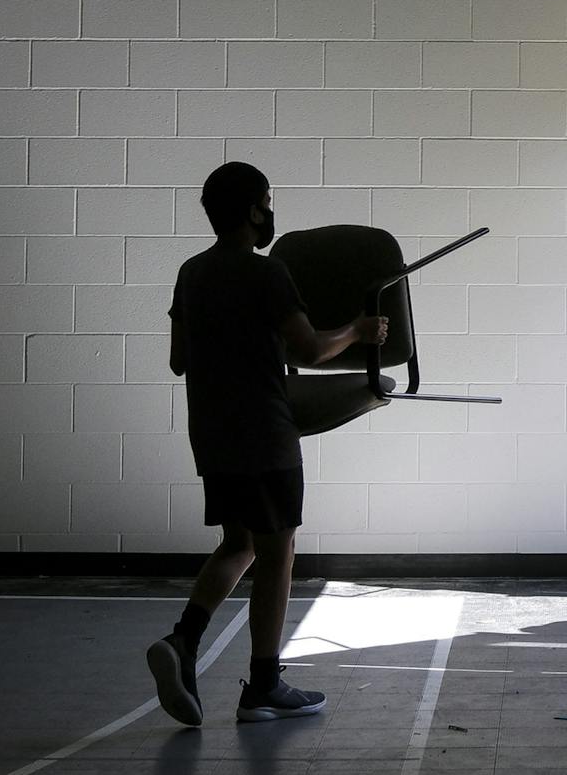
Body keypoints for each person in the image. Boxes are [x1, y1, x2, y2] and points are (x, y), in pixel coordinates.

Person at [146, 161, 388, 726]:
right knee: (279, 551)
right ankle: (262, 687)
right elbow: (306, 350)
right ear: (255, 209)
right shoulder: (266, 274)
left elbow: (181, 359)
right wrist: (357, 331)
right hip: (264, 433)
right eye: (268, 200)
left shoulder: (191, 272)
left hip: (211, 432)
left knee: (240, 542)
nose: (270, 210)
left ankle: (183, 641)